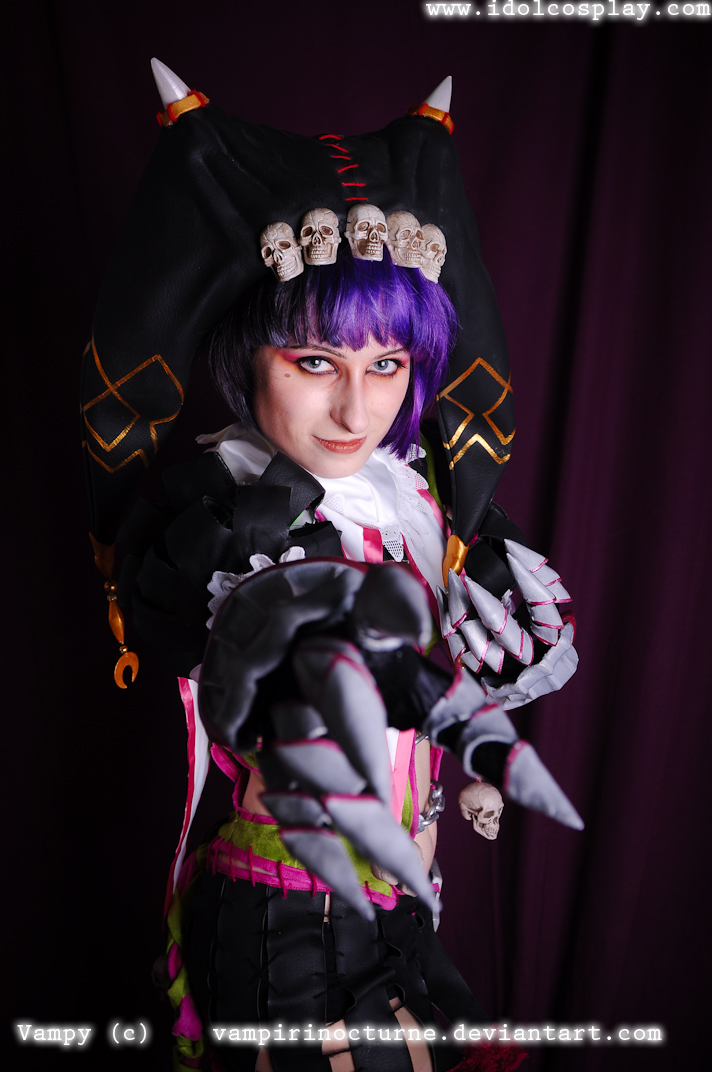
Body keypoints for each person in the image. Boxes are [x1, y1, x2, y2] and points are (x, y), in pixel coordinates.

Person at [81, 62, 579, 1072]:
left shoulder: (417, 507)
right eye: (315, 362)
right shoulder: (224, 527)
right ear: (246, 357)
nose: (358, 409)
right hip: (288, 924)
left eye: (386, 364)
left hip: (401, 910)